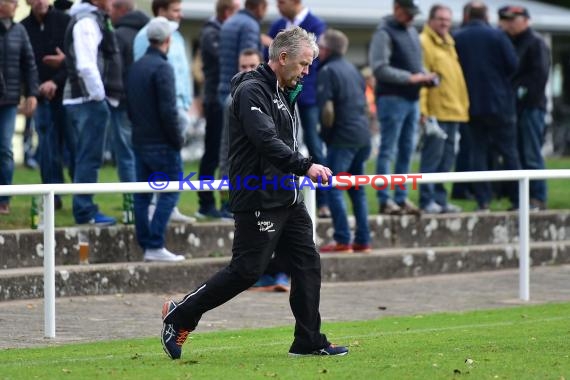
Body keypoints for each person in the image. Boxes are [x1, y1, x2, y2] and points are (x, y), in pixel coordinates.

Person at [160, 27, 348, 360]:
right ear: (284, 58)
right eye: (304, 64)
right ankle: (180, 315)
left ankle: (308, 340)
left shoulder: (285, 89)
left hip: (288, 198)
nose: (307, 72)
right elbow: (265, 140)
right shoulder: (251, 91)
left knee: (307, 263)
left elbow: (283, 141)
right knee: (246, 271)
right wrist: (306, 166)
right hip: (258, 197)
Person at [217, 47, 291, 291]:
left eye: (251, 66)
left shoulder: (282, 92)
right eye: (243, 66)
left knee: (291, 240)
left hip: (279, 177)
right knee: (249, 257)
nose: (247, 70)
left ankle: (279, 275)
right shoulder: (236, 98)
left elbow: (291, 134)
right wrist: (224, 174)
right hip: (251, 182)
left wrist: (300, 162)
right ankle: (263, 277)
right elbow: (228, 145)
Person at [368, 0, 438, 215]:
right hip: (392, 99)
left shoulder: (411, 32)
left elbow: (416, 66)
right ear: (397, 9)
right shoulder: (384, 32)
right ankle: (385, 199)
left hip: (412, 99)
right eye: (408, 14)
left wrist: (426, 76)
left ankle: (401, 197)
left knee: (407, 150)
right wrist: (412, 78)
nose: (411, 18)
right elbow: (379, 68)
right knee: (388, 150)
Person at [200, 0, 267, 219]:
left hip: (223, 91)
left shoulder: (228, 23)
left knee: (223, 149)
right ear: (260, 8)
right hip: (238, 96)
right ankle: (235, 203)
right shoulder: (249, 26)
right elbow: (248, 57)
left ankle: (223, 203)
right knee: (237, 150)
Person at [127, 17, 185, 263]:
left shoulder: (137, 66)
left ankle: (147, 244)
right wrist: (177, 140)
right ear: (167, 40)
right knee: (171, 191)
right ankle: (154, 243)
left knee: (142, 195)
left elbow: (130, 107)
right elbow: (168, 111)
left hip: (140, 140)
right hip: (162, 143)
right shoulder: (163, 68)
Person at [454, 1, 520, 211]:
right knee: (509, 152)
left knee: (477, 153)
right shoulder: (498, 36)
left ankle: (483, 201)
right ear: (486, 16)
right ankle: (518, 199)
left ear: (467, 16)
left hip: (471, 104)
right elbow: (513, 65)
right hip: (500, 103)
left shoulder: (457, 37)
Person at [133, 0, 195, 224]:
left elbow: (182, 70)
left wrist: (186, 100)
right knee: (162, 159)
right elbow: (144, 74)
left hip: (178, 105)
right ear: (161, 10)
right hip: (160, 109)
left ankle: (169, 207)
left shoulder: (176, 35)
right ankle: (157, 209)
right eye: (175, 10)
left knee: (172, 159)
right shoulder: (145, 37)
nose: (180, 15)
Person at [267, 0, 329, 218]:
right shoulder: (277, 26)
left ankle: (323, 200)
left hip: (308, 97)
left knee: (314, 145)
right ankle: (287, 192)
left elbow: (316, 59)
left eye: (282, 2)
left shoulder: (317, 25)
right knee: (282, 141)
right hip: (283, 93)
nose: (278, 6)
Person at [63, 0, 122, 225]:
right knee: (89, 158)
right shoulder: (87, 22)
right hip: (88, 99)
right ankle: (85, 211)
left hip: (82, 98)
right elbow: (86, 65)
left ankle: (84, 209)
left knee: (84, 157)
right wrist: (99, 95)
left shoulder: (87, 19)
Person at [317, 29, 372, 254]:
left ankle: (342, 240)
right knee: (357, 188)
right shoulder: (354, 70)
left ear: (327, 49)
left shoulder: (328, 71)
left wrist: (326, 136)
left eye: (320, 46)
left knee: (333, 187)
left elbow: (327, 111)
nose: (317, 50)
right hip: (363, 136)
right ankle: (363, 240)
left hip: (342, 138)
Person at [418, 4, 469, 214]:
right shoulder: (424, 43)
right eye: (440, 19)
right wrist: (423, 111)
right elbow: (422, 78)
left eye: (447, 19)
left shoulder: (449, 43)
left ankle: (440, 199)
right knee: (432, 159)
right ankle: (426, 200)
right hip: (436, 112)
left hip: (454, 112)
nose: (444, 23)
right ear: (431, 20)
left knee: (447, 160)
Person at [22, 0, 72, 211]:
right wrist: (34, 91)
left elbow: (74, 59)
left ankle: (82, 196)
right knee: (46, 147)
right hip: (40, 96)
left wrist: (56, 81)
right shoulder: (23, 27)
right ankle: (53, 195)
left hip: (67, 95)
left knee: (72, 146)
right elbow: (24, 64)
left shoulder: (65, 21)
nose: (41, 1)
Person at [499, 5, 550, 211]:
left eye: (513, 19)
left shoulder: (535, 42)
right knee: (518, 154)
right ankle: (521, 199)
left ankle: (537, 198)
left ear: (525, 20)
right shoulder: (510, 42)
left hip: (531, 108)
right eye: (506, 20)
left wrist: (521, 95)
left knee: (531, 154)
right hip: (516, 108)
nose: (509, 23)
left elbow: (539, 77)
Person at [197, 0, 240, 220]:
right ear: (227, 13)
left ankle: (215, 203)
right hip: (214, 100)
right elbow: (224, 59)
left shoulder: (216, 32)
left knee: (220, 153)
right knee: (213, 153)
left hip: (219, 98)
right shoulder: (211, 33)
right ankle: (205, 202)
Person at [0, 0, 39, 215]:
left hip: (9, 101)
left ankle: (3, 199)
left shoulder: (19, 31)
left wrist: (32, 93)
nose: (11, 4)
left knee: (5, 149)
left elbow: (29, 64)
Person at [107, 0, 148, 185]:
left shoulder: (118, 35)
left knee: (125, 152)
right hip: (145, 102)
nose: (110, 11)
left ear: (121, 9)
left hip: (123, 101)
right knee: (142, 151)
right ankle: (146, 198)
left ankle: (132, 200)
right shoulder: (147, 33)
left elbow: (115, 70)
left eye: (113, 7)